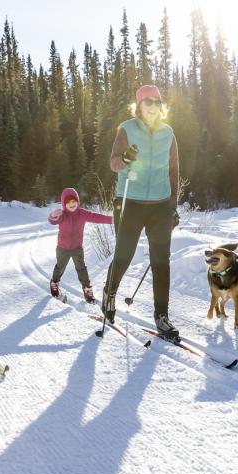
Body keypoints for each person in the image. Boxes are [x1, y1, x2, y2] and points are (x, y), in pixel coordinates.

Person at [101, 84, 181, 339]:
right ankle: (109, 294)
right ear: (139, 106)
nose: (153, 106)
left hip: (160, 205)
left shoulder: (168, 133)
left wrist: (173, 207)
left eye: (157, 102)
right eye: (148, 102)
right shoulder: (126, 129)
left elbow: (174, 172)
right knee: (124, 255)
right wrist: (125, 158)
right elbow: (113, 163)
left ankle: (162, 316)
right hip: (130, 201)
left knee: (161, 262)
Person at [47, 187, 113, 303]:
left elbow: (96, 217)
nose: (71, 204)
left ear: (77, 201)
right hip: (62, 248)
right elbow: (52, 221)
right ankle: (54, 283)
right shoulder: (62, 215)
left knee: (82, 269)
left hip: (77, 248)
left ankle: (87, 290)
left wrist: (113, 220)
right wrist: (53, 215)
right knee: (60, 267)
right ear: (63, 204)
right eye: (68, 202)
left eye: (74, 201)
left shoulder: (82, 213)